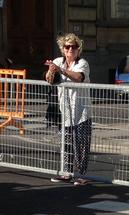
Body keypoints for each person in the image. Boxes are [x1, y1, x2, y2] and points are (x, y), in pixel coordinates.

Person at [44, 33, 92, 186]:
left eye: (74, 46)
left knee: (81, 144)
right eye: (67, 46)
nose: (70, 49)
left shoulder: (82, 63)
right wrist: (52, 70)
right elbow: (49, 81)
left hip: (81, 111)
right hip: (65, 111)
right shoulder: (59, 61)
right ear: (62, 49)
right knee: (67, 143)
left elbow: (79, 77)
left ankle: (81, 175)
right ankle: (67, 174)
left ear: (78, 49)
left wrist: (61, 70)